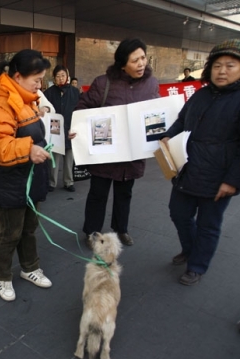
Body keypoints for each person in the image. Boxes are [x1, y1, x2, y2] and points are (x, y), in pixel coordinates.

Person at [162, 39, 240, 286]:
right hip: (187, 169)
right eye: (217, 65)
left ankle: (197, 266)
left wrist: (232, 181)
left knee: (209, 224)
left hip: (219, 177)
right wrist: (168, 135)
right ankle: (190, 249)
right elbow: (181, 121)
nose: (222, 71)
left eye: (230, 65)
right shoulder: (200, 94)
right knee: (178, 214)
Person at [0, 49, 53, 301]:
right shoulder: (1, 101)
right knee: (10, 232)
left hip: (29, 178)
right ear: (18, 76)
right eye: (36, 78)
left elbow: (26, 130)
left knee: (29, 228)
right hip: (10, 182)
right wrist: (29, 148)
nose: (40, 84)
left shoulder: (27, 98)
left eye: (41, 78)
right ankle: (3, 276)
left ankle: (30, 268)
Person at [76, 38, 159, 248]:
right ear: (123, 64)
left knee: (125, 194)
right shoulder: (103, 83)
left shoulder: (151, 83)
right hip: (105, 152)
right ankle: (92, 232)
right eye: (135, 60)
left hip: (132, 153)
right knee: (98, 194)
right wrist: (80, 127)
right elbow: (82, 108)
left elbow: (155, 113)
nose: (141, 64)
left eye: (143, 58)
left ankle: (121, 229)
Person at [44, 65, 80, 192]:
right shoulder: (48, 93)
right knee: (54, 157)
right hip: (55, 128)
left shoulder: (75, 92)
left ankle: (68, 182)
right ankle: (51, 182)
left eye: (63, 76)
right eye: (57, 76)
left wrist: (76, 127)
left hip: (70, 128)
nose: (60, 78)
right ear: (54, 78)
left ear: (67, 77)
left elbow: (79, 110)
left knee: (69, 158)